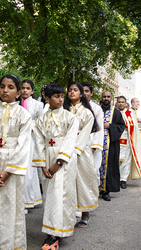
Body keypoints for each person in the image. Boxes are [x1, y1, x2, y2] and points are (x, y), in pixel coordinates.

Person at [0, 74, 31, 250]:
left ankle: (10, 244)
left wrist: (8, 171)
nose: (4, 90)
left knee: (10, 208)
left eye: (10, 87)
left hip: (12, 167)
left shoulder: (24, 115)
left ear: (18, 93)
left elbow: (23, 144)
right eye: (2, 86)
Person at [33, 83, 79, 250]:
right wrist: (43, 165)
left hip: (63, 161)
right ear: (47, 98)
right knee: (50, 196)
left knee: (61, 195)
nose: (61, 99)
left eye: (62, 96)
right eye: (56, 96)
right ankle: (52, 230)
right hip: (47, 159)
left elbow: (70, 140)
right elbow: (38, 143)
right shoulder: (41, 120)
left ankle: (55, 234)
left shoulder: (70, 117)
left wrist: (58, 162)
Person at [64, 82, 99, 228]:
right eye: (70, 90)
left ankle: (85, 213)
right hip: (65, 150)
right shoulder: (63, 110)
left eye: (75, 90)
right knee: (68, 182)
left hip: (81, 151)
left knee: (84, 181)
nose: (72, 92)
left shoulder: (87, 112)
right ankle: (68, 215)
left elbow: (85, 134)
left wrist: (75, 150)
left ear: (81, 94)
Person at [21, 79, 43, 214]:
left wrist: (32, 128)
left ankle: (28, 200)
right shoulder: (16, 102)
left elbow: (41, 122)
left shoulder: (37, 105)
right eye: (22, 88)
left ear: (32, 90)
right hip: (18, 137)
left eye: (28, 88)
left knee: (29, 169)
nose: (25, 91)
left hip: (30, 137)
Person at [99, 91, 125, 201]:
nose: (106, 98)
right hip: (96, 144)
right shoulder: (96, 110)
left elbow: (121, 126)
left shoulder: (116, 112)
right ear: (101, 97)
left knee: (109, 167)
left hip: (111, 145)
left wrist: (109, 126)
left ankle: (106, 191)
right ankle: (95, 189)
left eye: (108, 97)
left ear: (111, 99)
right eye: (104, 96)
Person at [116, 96, 141, 189]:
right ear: (117, 103)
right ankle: (116, 179)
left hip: (127, 140)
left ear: (125, 104)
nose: (121, 103)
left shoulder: (130, 113)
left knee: (126, 160)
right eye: (119, 102)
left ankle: (123, 180)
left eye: (122, 102)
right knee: (116, 160)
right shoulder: (113, 112)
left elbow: (135, 126)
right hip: (115, 139)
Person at [81, 81, 104, 185]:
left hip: (92, 145)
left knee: (93, 171)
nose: (84, 93)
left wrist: (93, 147)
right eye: (82, 91)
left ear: (91, 93)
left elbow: (99, 129)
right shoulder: (74, 107)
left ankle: (93, 197)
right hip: (78, 145)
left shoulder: (97, 109)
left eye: (87, 91)